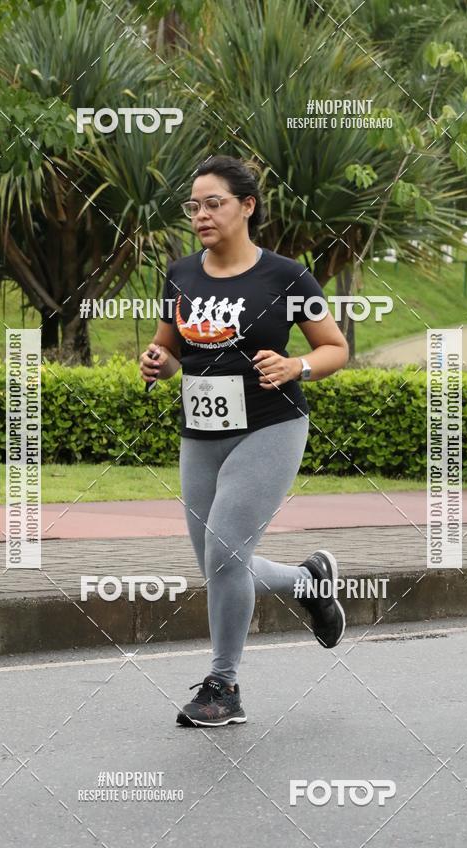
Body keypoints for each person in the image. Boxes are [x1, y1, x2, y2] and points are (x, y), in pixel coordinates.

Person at [139, 155, 349, 728]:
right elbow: (170, 348)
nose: (201, 215)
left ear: (247, 206)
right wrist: (158, 362)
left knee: (226, 554)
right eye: (194, 206)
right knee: (220, 565)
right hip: (201, 432)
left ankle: (223, 686)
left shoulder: (285, 276)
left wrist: (297, 366)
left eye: (214, 203)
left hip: (270, 426)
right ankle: (308, 583)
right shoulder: (181, 274)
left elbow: (335, 347)